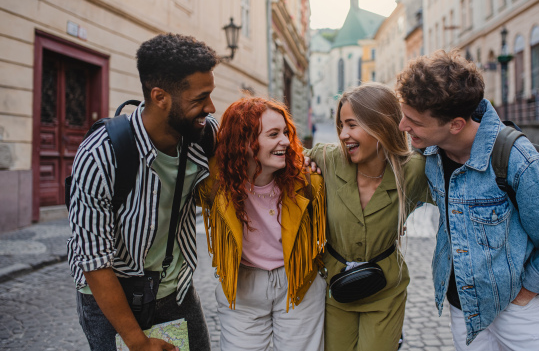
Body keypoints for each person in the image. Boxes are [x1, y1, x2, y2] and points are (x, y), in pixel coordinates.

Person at [396, 50, 539, 350]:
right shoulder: (430, 153)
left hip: (522, 313)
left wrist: (528, 292)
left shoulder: (517, 159)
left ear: (456, 124)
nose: (403, 127)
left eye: (414, 121)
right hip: (463, 308)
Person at [67, 33, 219, 351]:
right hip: (111, 298)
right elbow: (94, 260)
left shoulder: (204, 134)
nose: (211, 107)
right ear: (160, 97)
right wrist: (137, 341)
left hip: (175, 291)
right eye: (200, 98)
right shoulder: (101, 153)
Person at [304, 83, 430, 351]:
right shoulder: (326, 159)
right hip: (335, 289)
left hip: (386, 290)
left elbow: (463, 191)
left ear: (381, 125)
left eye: (352, 124)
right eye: (341, 125)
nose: (343, 134)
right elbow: (275, 162)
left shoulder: (413, 171)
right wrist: (301, 170)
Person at [196, 98, 327, 351]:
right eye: (274, 134)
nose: (286, 141)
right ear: (244, 142)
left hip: (298, 283)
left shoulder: (307, 180)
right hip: (242, 286)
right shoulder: (215, 182)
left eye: (286, 133)